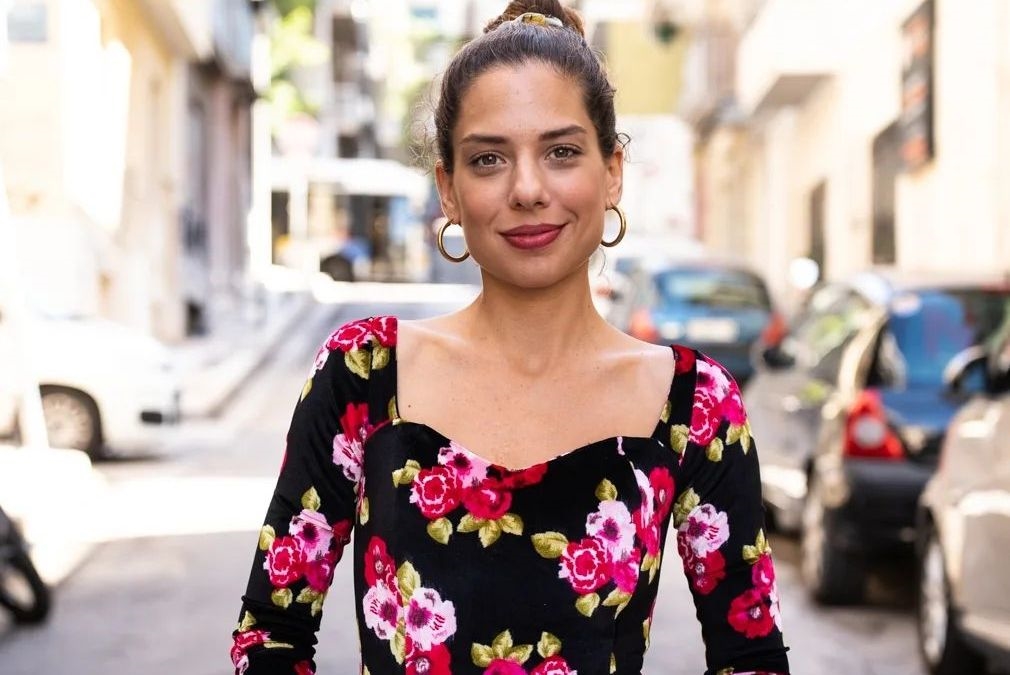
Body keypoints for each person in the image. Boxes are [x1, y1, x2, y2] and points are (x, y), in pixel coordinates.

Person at [231, 1, 791, 673]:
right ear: (448, 188)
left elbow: (751, 657)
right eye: (489, 158)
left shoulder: (695, 403)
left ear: (612, 171)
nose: (527, 189)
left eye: (562, 152)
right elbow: (271, 633)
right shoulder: (364, 372)